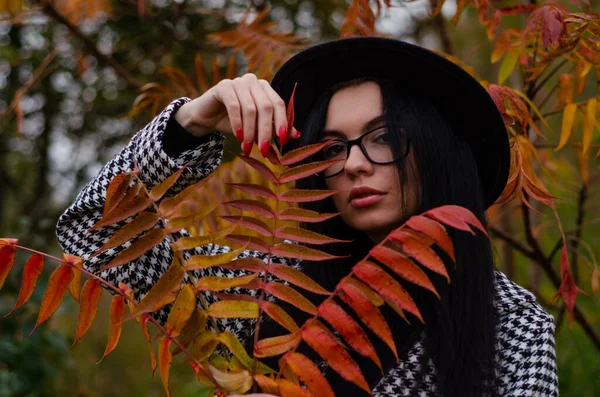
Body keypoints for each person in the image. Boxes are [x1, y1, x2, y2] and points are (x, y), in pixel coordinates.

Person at [56, 37, 558, 396]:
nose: (354, 163)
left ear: (437, 152)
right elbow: (96, 236)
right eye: (333, 146)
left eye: (384, 138)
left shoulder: (511, 328)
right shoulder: (265, 285)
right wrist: (190, 123)